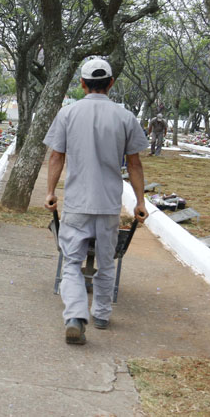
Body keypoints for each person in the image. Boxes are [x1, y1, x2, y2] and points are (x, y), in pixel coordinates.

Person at [43, 57, 149, 345]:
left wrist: (51, 192)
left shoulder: (67, 114)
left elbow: (56, 156)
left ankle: (76, 316)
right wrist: (140, 201)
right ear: (111, 83)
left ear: (82, 83)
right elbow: (135, 164)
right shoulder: (125, 117)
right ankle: (101, 314)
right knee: (106, 262)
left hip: (77, 203)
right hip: (108, 204)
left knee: (71, 262)